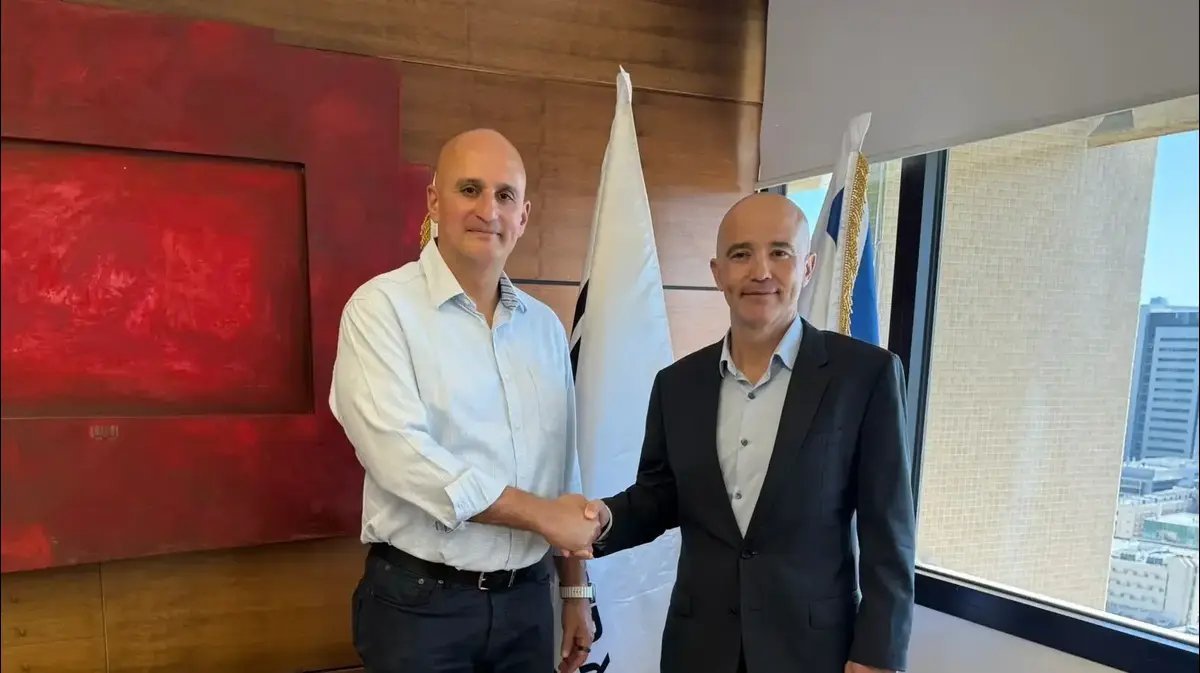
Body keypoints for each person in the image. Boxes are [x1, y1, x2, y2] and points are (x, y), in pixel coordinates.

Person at [576, 193, 916, 673]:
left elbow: (890, 534)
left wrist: (878, 653)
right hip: (699, 650)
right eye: (741, 254)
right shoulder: (677, 385)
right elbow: (661, 496)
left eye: (780, 252)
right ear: (717, 273)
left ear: (808, 267)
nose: (761, 271)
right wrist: (602, 519)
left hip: (814, 652)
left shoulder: (865, 376)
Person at [330, 128, 599, 673]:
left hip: (528, 606)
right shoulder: (380, 309)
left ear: (524, 215)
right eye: (470, 189)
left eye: (505, 196)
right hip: (421, 610)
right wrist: (541, 516)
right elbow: (401, 457)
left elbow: (562, 469)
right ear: (434, 201)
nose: (488, 211)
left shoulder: (545, 328)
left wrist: (575, 592)